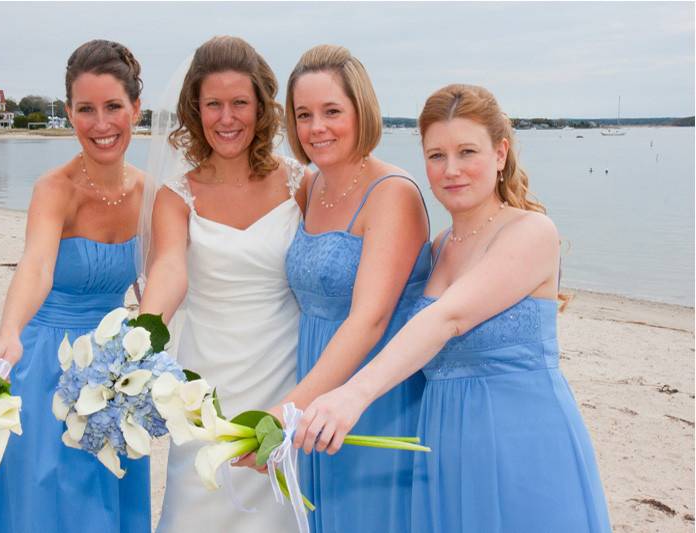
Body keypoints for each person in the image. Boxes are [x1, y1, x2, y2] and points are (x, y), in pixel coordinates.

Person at [294, 84, 612, 533]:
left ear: (501, 154)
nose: (451, 170)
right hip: (441, 444)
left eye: (467, 152)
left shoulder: (532, 231)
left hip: (517, 442)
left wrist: (353, 394)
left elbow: (448, 317)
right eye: (436, 155)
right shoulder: (438, 247)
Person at [0, 40, 149, 532]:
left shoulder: (149, 193)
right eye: (85, 109)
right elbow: (37, 265)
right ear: (69, 113)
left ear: (136, 107)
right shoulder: (55, 189)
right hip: (47, 362)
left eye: (113, 106)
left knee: (101, 498)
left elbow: (152, 288)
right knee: (46, 502)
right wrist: (8, 332)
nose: (101, 124)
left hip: (115, 372)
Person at [137, 36, 308, 533]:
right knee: (198, 505)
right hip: (204, 385)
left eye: (240, 103)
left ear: (261, 108)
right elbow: (170, 266)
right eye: (214, 104)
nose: (227, 117)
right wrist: (143, 332)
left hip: (283, 375)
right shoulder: (176, 196)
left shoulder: (301, 183)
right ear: (196, 109)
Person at [277, 44, 431, 533]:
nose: (317, 127)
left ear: (361, 111)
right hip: (317, 366)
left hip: (371, 387)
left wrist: (286, 412)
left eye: (331, 112)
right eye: (304, 115)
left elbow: (370, 319)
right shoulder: (309, 185)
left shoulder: (393, 194)